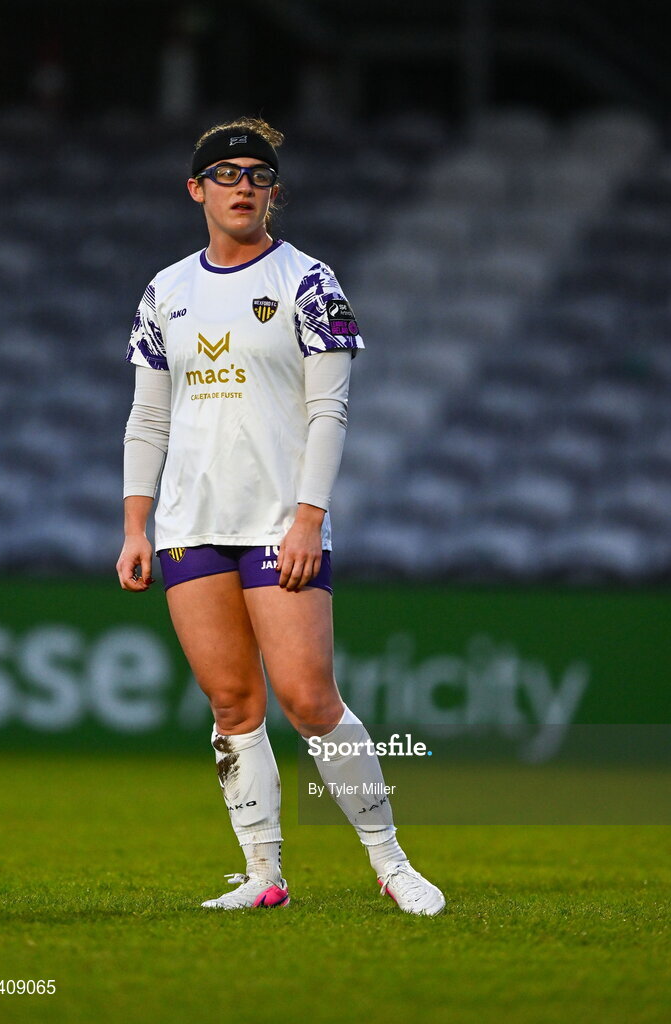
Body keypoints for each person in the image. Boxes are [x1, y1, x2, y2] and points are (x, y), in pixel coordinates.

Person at [116, 116, 445, 915]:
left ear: (274, 193)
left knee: (308, 699)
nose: (242, 188)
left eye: (258, 176)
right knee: (232, 704)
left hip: (276, 521)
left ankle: (391, 862)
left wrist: (308, 517)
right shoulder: (167, 290)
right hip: (191, 524)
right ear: (197, 189)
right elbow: (147, 418)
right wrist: (136, 524)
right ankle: (264, 874)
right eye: (225, 175)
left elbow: (329, 411)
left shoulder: (308, 281)